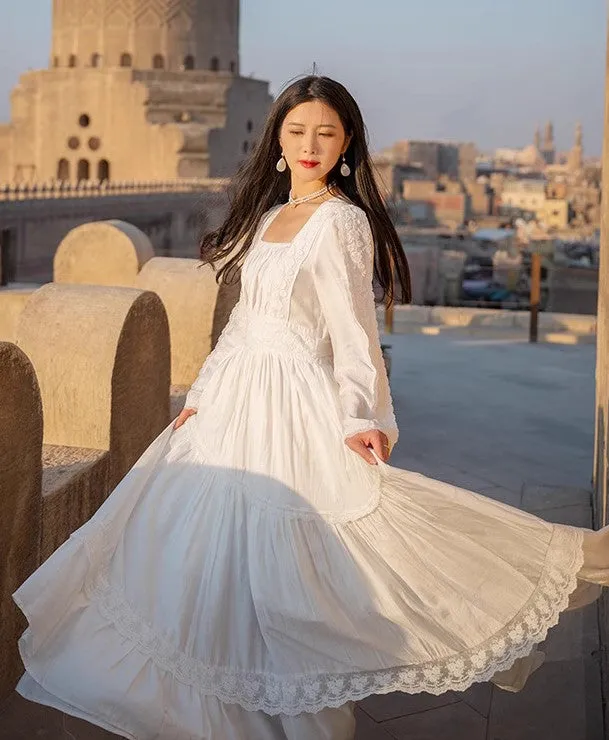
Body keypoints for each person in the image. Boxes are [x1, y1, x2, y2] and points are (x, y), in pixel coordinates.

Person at [12, 75, 609, 740]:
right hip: (234, 398)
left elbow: (351, 330)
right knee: (213, 555)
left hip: (293, 401)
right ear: (277, 139)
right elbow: (240, 321)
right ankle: (228, 701)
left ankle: (302, 712)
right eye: (297, 131)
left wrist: (362, 418)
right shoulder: (269, 218)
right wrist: (201, 398)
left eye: (325, 132)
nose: (309, 144)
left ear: (346, 141)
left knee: (300, 560)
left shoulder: (342, 222)